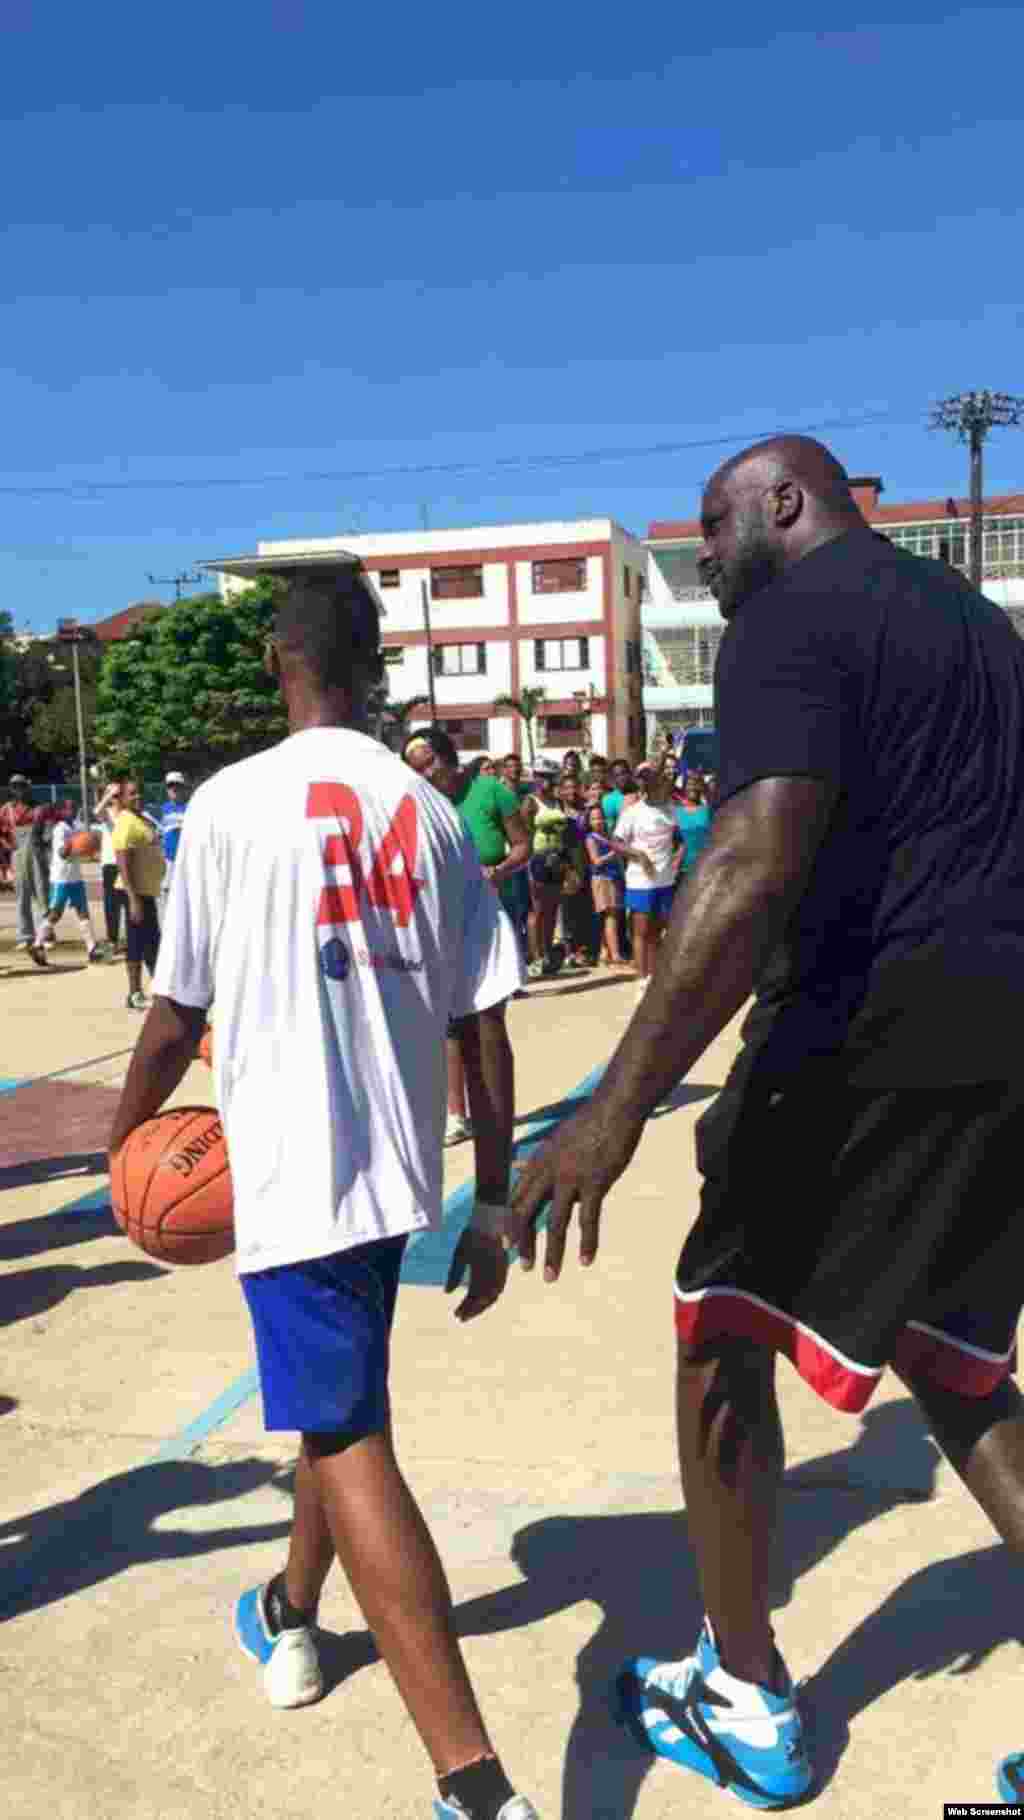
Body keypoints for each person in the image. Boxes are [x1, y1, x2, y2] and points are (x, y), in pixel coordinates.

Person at [509, 431, 1024, 1809]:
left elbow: (750, 856)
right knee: (962, 1367)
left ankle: (741, 1697)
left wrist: (608, 1116)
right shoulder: (985, 631)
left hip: (864, 1035)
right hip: (1005, 1042)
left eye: (712, 523)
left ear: (785, 504)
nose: (707, 552)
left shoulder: (793, 614)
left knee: (717, 1336)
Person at [108, 570, 538, 1820]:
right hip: (394, 1173)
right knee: (335, 1400)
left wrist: (125, 1143)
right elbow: (484, 1027)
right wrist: (493, 1198)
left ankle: (476, 1784)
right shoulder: (435, 810)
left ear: (274, 660)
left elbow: (175, 1007)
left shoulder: (231, 805)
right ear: (377, 659)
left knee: (349, 1437)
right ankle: (295, 1609)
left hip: (287, 1176)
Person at [402, 735, 528, 1145]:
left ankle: (495, 1126)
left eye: (423, 766)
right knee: (449, 1025)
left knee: (487, 1018)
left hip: (491, 904)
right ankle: (457, 1113)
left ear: (446, 761)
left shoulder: (490, 790)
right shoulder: (418, 802)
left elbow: (523, 846)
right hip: (440, 914)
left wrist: (501, 871)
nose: (417, 775)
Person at [613, 763, 683, 1001]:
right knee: (641, 931)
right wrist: (638, 855)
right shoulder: (633, 811)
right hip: (640, 880)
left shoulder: (671, 810)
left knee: (659, 930)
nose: (660, 786)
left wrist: (677, 856)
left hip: (666, 880)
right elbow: (616, 842)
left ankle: (654, 976)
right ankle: (642, 980)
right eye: (653, 782)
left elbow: (679, 838)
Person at [27, 804, 105, 966]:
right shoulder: (59, 829)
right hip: (61, 878)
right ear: (60, 812)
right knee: (56, 913)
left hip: (75, 877)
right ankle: (37, 944)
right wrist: (75, 844)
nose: (70, 810)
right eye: (66, 808)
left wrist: (92, 841)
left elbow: (92, 835)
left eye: (71, 807)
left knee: (83, 912)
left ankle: (92, 949)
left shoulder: (76, 825)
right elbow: (62, 853)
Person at [111, 776, 164, 1010]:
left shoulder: (140, 818)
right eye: (131, 794)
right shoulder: (125, 821)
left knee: (152, 940)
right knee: (139, 941)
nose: (137, 796)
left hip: (146, 890)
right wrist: (133, 899)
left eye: (138, 792)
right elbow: (122, 859)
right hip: (134, 891)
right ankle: (134, 993)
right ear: (121, 799)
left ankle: (158, 988)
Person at [584, 805, 650, 966]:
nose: (598, 821)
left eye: (600, 817)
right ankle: (615, 954)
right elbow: (596, 861)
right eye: (594, 818)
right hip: (602, 878)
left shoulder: (607, 836)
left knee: (612, 915)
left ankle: (607, 952)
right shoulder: (591, 838)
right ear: (589, 821)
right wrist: (614, 853)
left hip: (613, 878)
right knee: (611, 916)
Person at [524, 760, 570, 979]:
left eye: (549, 776)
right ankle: (536, 957)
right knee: (537, 910)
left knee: (552, 910)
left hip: (556, 858)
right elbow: (524, 835)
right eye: (540, 776)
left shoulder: (556, 802)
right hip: (538, 859)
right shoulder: (530, 802)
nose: (545, 780)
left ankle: (549, 954)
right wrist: (532, 859)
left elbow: (564, 832)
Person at [2, 775, 47, 949]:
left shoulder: (39, 807)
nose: (18, 789)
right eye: (15, 786)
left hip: (37, 854)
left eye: (21, 786)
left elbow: (48, 833)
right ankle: (24, 936)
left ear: (27, 787)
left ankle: (44, 935)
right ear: (11, 789)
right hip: (17, 854)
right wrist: (9, 847)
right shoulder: (6, 810)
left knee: (41, 894)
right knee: (22, 896)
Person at [95, 782, 125, 950]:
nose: (115, 797)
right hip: (110, 864)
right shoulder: (106, 813)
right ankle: (112, 940)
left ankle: (130, 939)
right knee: (111, 904)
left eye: (117, 794)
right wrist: (107, 795)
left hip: (126, 862)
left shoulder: (126, 813)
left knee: (127, 902)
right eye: (113, 795)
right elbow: (96, 811)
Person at [159, 771, 189, 915]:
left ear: (183, 787)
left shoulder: (191, 808)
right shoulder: (162, 810)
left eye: (177, 785)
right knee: (166, 892)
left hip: (187, 859)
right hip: (168, 859)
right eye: (170, 786)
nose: (174, 789)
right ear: (167, 789)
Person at [674, 770, 712, 879]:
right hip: (681, 869)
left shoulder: (708, 810)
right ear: (684, 789)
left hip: (706, 868)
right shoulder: (676, 812)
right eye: (689, 785)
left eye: (696, 784)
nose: (693, 788)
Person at [600, 759, 633, 835]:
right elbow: (611, 830)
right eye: (617, 775)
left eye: (624, 773)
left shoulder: (640, 795)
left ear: (630, 774)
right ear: (613, 778)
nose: (622, 777)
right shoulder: (609, 800)